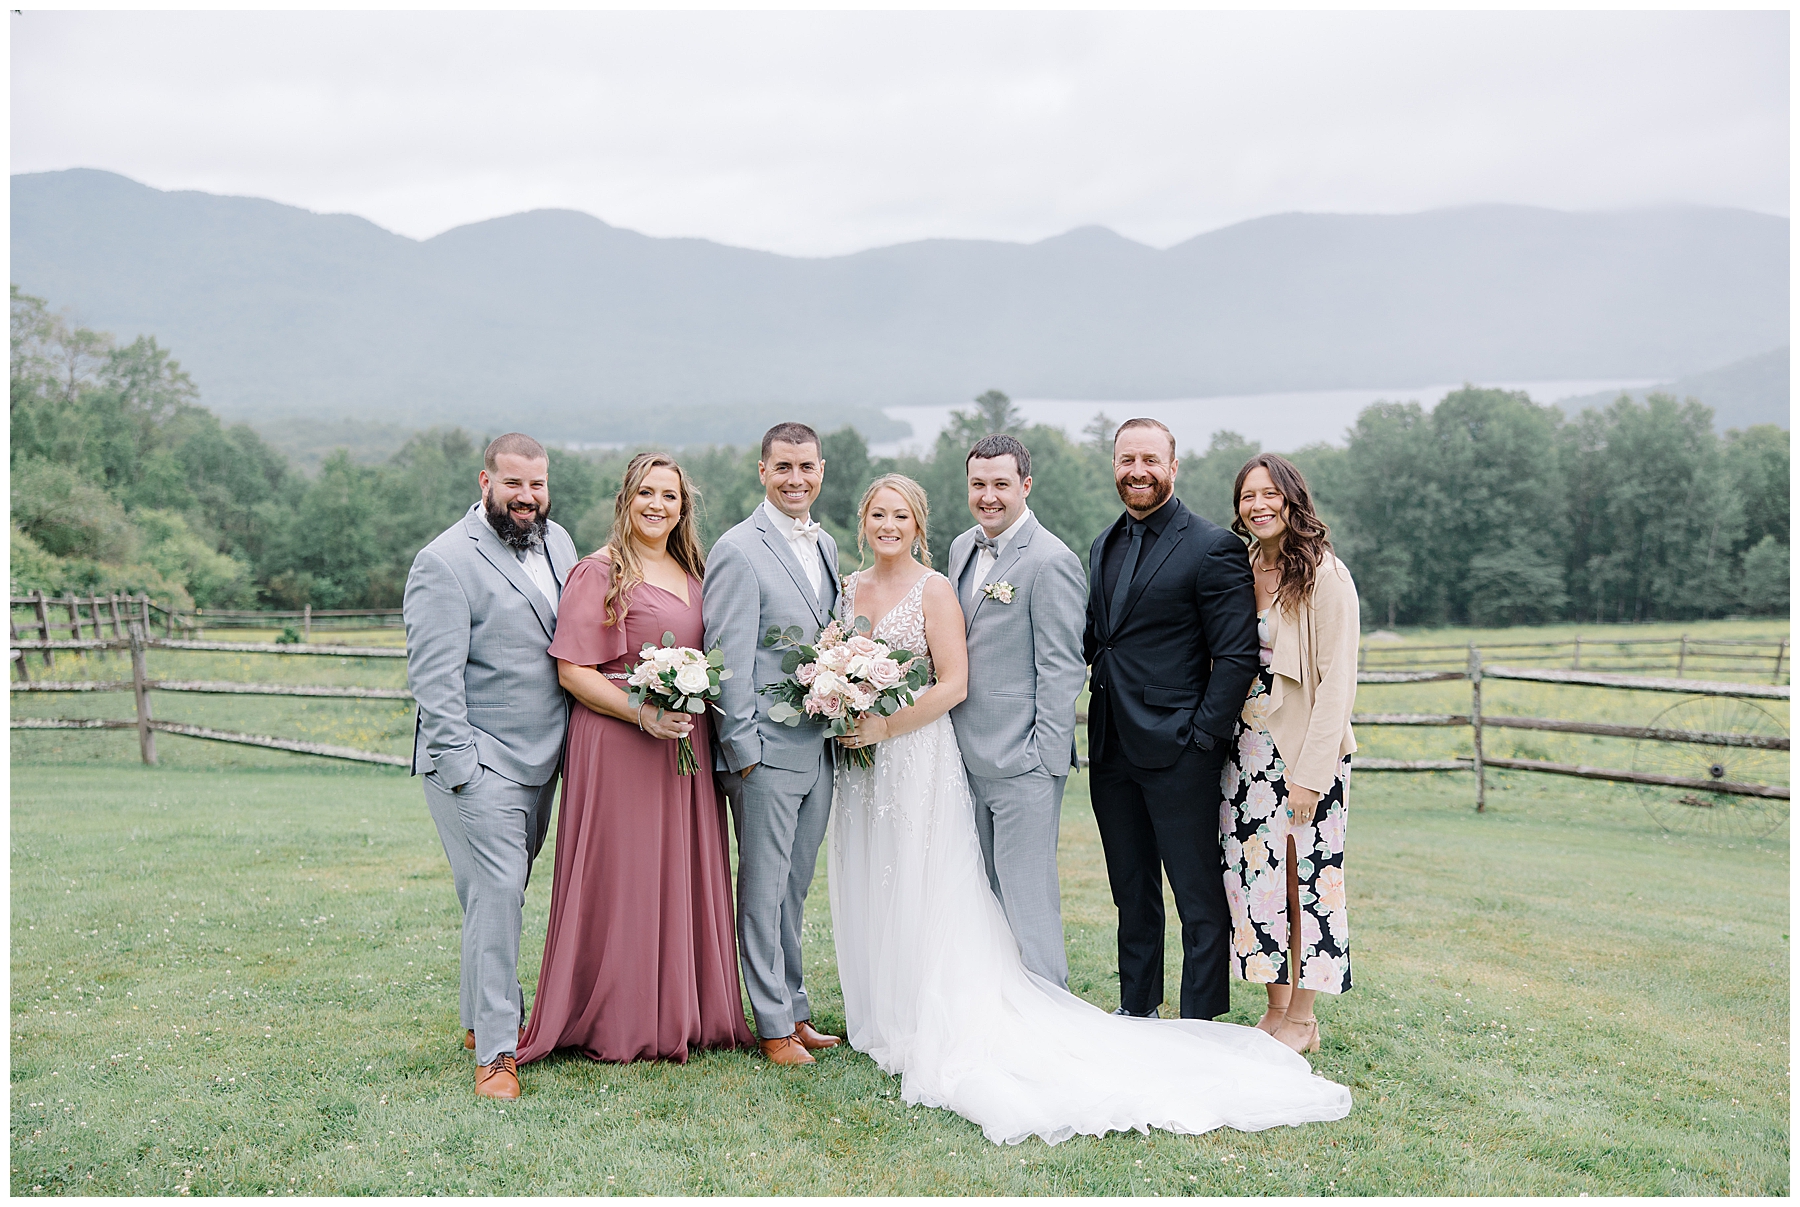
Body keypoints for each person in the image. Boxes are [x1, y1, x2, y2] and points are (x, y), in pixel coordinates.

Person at [829, 473, 1350, 1146]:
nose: (889, 522)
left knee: (1222, 887)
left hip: (1207, 749)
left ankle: (1196, 1016)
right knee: (1138, 890)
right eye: (878, 512)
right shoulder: (999, 551)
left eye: (999, 484)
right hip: (992, 755)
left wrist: (1058, 752)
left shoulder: (1060, 556)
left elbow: (1078, 659)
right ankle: (1157, 1005)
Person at [517, 453, 754, 1065]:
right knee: (626, 874)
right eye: (646, 493)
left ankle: (683, 1007)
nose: (657, 505)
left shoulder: (693, 568)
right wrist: (643, 713)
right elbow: (574, 671)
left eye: (670, 496)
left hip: (684, 741)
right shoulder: (599, 572)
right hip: (620, 741)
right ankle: (615, 1016)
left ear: (684, 506)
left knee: (678, 867)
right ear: (626, 499)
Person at [403, 433, 578, 1100]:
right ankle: (500, 1053)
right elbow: (435, 679)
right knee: (502, 890)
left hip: (545, 759)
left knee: (487, 893)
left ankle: (478, 1020)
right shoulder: (444, 562)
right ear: (485, 481)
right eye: (513, 484)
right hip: (479, 760)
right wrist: (464, 770)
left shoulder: (559, 543)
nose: (527, 497)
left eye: (536, 484)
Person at [1082, 418, 1260, 1021]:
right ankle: (1137, 1012)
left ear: (1173, 467)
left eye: (1150, 459)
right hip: (1110, 747)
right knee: (1131, 893)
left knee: (1197, 894)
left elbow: (1236, 656)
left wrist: (1202, 735)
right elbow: (1097, 641)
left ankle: (1200, 1022)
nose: (1138, 470)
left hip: (1181, 750)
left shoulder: (1213, 547)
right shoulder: (1102, 544)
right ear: (1114, 465)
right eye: (1126, 459)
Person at [702, 422, 844, 1066]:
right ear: (762, 471)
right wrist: (744, 751)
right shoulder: (738, 549)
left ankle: (795, 1005)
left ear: (821, 469)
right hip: (762, 752)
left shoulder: (827, 546)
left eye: (806, 467)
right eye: (783, 467)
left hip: (818, 748)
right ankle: (770, 1025)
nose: (796, 479)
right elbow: (726, 653)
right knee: (762, 888)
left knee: (794, 885)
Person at [1224, 453, 1359, 1055]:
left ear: (1292, 499)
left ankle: (1304, 1020)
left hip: (1305, 753)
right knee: (1260, 880)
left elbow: (1337, 685)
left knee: (1306, 878)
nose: (1257, 506)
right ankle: (1276, 1008)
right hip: (1246, 751)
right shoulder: (1245, 564)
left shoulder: (1326, 576)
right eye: (1247, 496)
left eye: (1268, 495)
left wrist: (1311, 775)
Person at [945, 434, 1087, 987]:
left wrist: (1043, 758)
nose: (988, 496)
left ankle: (1050, 1007)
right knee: (982, 895)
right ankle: (1001, 1005)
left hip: (1023, 760)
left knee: (1029, 898)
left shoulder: (1052, 561)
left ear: (1025, 485)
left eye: (1001, 484)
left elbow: (1062, 669)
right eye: (978, 484)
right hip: (962, 753)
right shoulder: (961, 548)